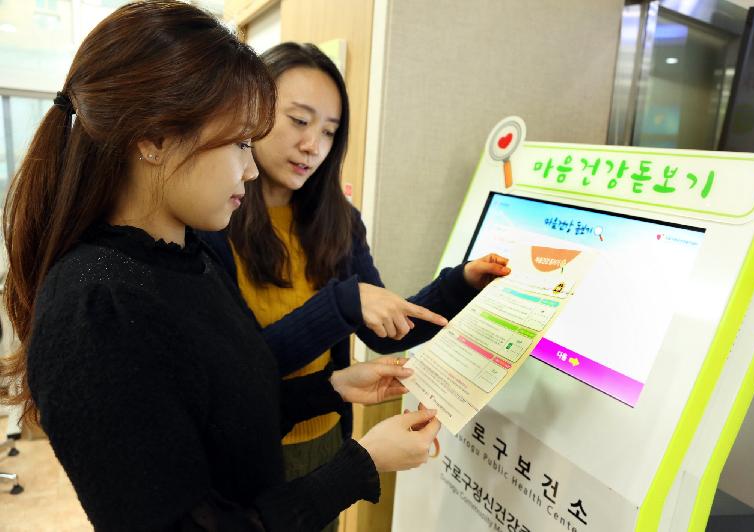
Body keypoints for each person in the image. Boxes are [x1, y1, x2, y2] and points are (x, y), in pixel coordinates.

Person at [0, 3, 441, 531]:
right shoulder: (97, 306)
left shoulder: (191, 257)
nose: (251, 169)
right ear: (154, 138)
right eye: (239, 143)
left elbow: (229, 413)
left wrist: (332, 387)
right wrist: (361, 465)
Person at [199, 41, 511, 529]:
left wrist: (462, 283)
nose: (313, 145)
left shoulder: (339, 221)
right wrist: (341, 305)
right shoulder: (211, 221)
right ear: (251, 112)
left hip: (327, 438)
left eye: (329, 131)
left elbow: (385, 329)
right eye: (299, 121)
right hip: (248, 451)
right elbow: (240, 370)